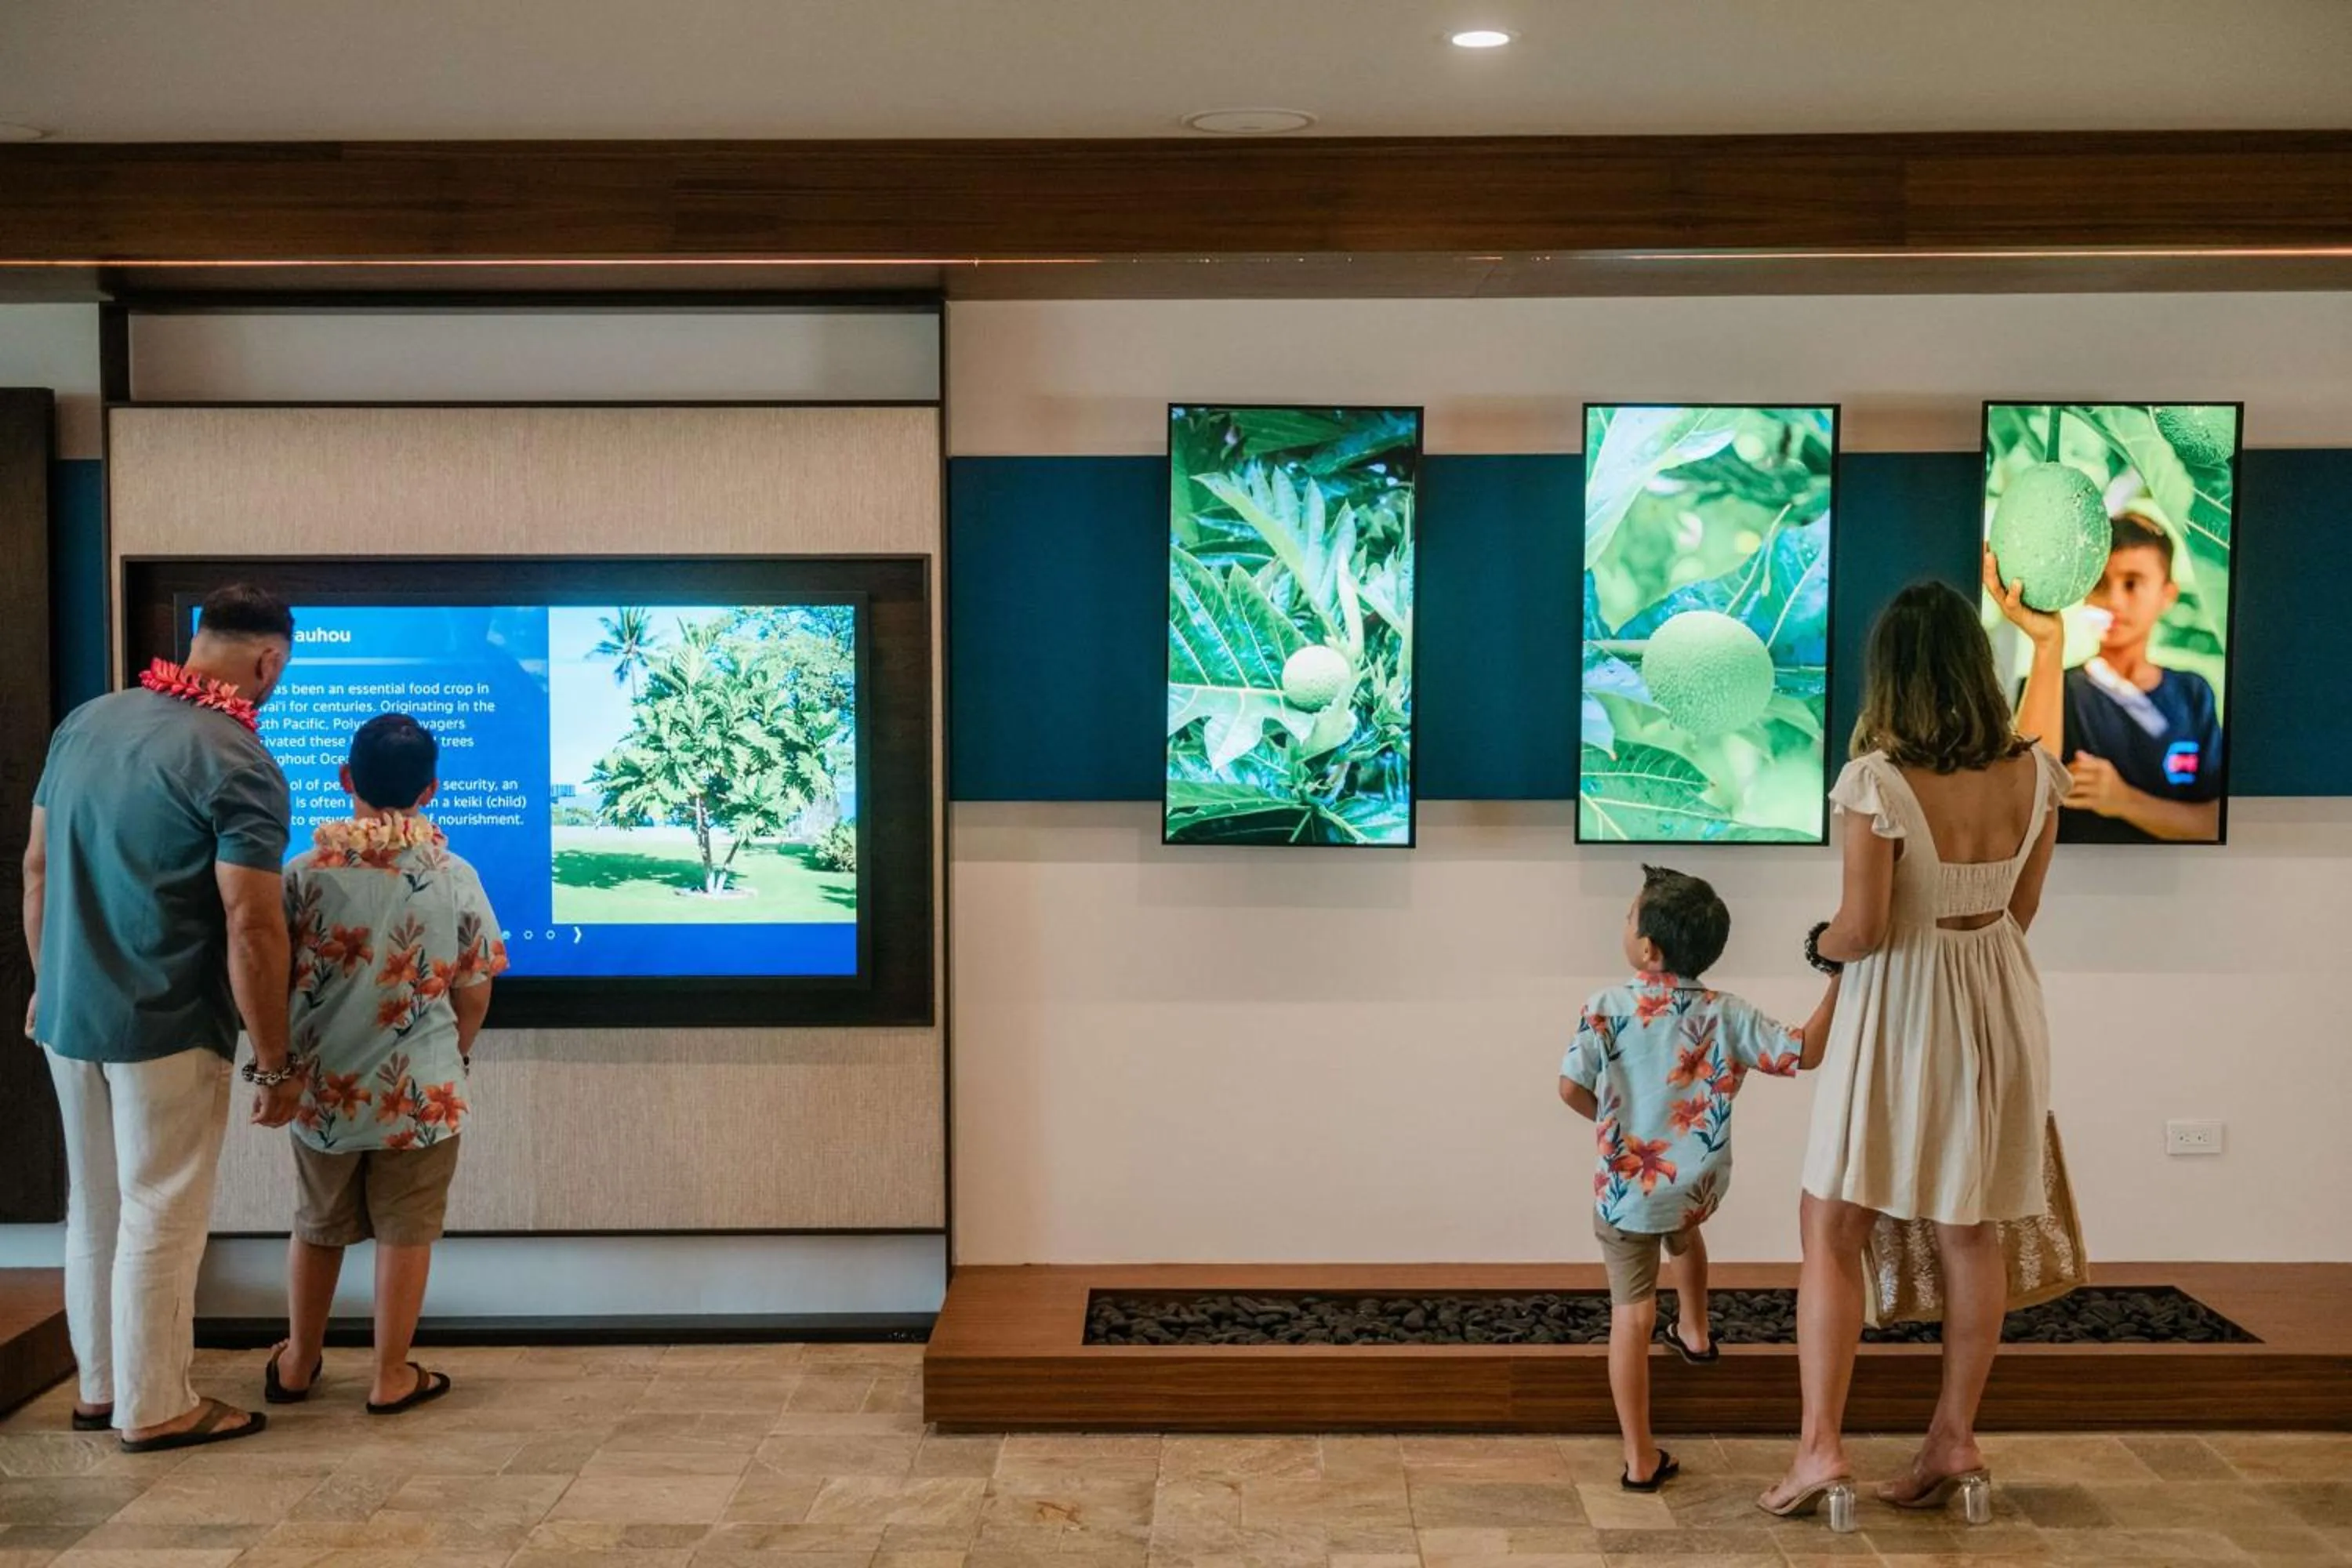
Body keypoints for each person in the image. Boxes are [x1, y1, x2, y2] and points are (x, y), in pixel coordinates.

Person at [1762, 581, 2067, 1521]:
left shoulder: (1877, 782)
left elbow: (1862, 927)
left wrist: (1815, 944)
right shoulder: (2036, 774)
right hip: (1999, 996)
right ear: (1976, 666)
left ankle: (1821, 1450)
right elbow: (2020, 909)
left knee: (1832, 1219)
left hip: (1900, 1004)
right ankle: (1954, 1439)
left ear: (1888, 673)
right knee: (1971, 1225)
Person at [20, 585, 302, 1452]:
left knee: (96, 1207)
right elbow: (252, 924)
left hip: (66, 1013)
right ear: (268, 662)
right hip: (167, 1023)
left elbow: (36, 869)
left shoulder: (86, 722)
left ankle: (101, 1389)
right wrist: (275, 1058)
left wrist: (48, 982)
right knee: (161, 1211)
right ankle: (155, 1407)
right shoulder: (239, 758)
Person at [1559, 866, 1838, 1493]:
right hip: (1695, 1187)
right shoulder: (1726, 1012)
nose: (1623, 924)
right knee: (1684, 1234)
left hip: (1627, 1190)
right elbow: (1805, 1051)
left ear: (1648, 949)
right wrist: (1839, 979)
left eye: (1628, 918)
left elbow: (1569, 1089)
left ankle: (1640, 1457)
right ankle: (1695, 1330)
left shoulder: (1605, 1008)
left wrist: (1613, 1128)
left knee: (1632, 1315)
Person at [265, 713, 505, 1415]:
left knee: (317, 1225)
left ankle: (298, 1364)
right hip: (421, 1094)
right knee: (407, 1230)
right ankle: (390, 1375)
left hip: (323, 1093)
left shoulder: (300, 876)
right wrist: (455, 1054)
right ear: (431, 790)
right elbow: (475, 990)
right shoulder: (453, 875)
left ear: (345, 779)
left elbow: (268, 977)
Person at [1986, 512, 2223, 842]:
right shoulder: (2049, 685)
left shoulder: (2193, 693)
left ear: (2167, 596)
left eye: (2132, 583)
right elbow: (2026, 804)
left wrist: (2123, 800)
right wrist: (2048, 643)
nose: (2114, 600)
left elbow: (2214, 822)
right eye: (2099, 584)